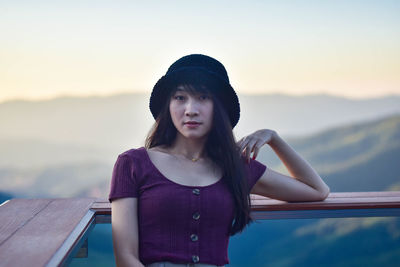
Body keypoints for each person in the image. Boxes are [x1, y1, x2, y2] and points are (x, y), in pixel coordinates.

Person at [108, 54, 330, 267]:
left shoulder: (235, 167)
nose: (191, 110)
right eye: (180, 98)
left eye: (203, 97)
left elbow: (316, 190)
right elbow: (125, 257)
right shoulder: (133, 163)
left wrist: (272, 137)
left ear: (219, 107)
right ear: (168, 105)